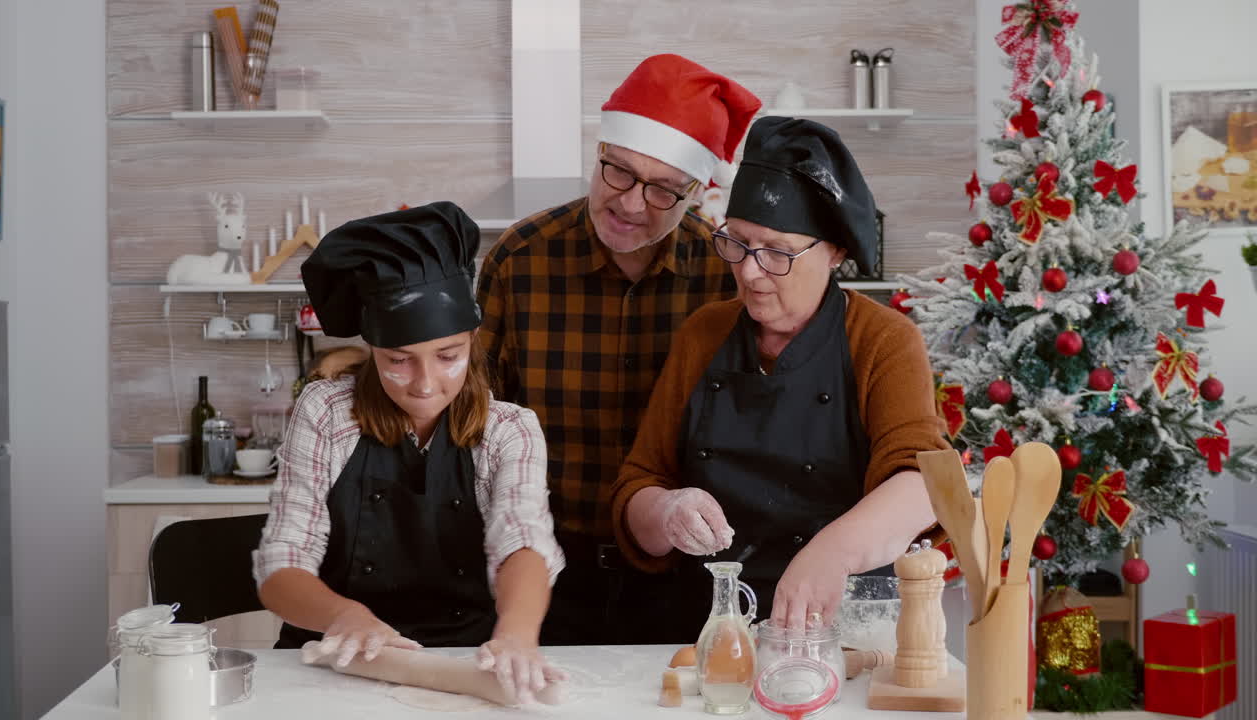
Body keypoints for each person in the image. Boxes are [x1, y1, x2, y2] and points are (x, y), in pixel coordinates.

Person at [610, 117, 949, 638]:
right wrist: (666, 511)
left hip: (839, 633)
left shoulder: (882, 339)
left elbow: (923, 484)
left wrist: (832, 552)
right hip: (705, 628)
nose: (749, 271)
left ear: (834, 251)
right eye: (738, 243)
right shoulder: (704, 333)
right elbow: (639, 485)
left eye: (777, 252)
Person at [476, 54, 761, 645]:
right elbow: (476, 422)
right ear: (599, 153)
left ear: (696, 192)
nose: (631, 204)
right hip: (544, 571)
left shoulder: (724, 275)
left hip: (685, 576)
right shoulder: (520, 259)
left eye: (663, 190)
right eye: (619, 173)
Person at [253, 202, 566, 703]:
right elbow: (281, 565)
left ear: (473, 340)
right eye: (399, 360)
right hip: (333, 664)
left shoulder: (509, 430)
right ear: (372, 349)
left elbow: (523, 542)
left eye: (448, 356)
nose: (425, 383)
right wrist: (344, 615)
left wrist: (516, 634)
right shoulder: (327, 413)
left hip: (464, 664)